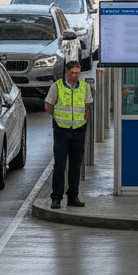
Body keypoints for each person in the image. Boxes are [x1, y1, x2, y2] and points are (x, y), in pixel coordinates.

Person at [45, 60, 93, 209]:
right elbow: (48, 106)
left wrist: (83, 121)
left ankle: (73, 196)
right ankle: (56, 197)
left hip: (78, 131)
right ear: (67, 72)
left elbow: (87, 106)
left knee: (75, 166)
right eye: (72, 73)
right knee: (60, 165)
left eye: (77, 73)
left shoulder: (85, 87)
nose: (74, 75)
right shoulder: (57, 86)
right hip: (62, 131)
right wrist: (60, 118)